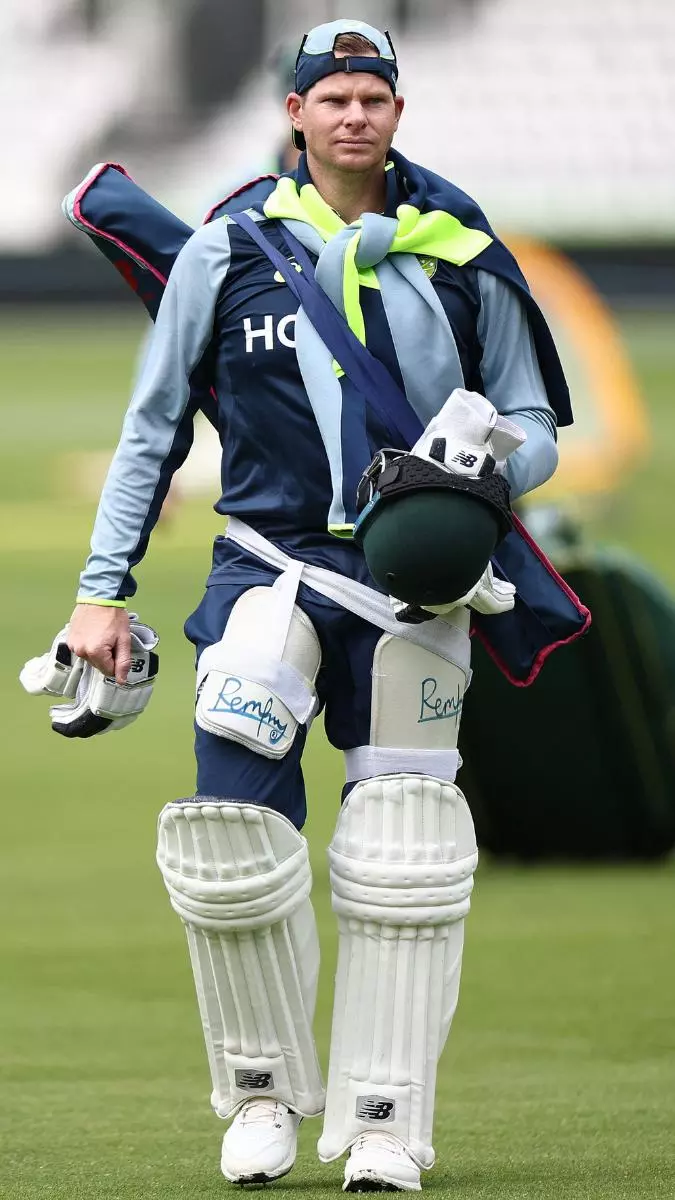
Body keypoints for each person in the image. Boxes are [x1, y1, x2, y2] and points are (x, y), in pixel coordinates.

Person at [57, 18, 572, 1194]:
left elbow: (537, 420)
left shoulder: (460, 247)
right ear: (294, 113)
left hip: (419, 583)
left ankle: (386, 1123)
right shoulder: (228, 245)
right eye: (331, 97)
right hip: (267, 564)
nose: (353, 115)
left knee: (407, 854)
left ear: (398, 112)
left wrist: (487, 467)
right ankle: (258, 1099)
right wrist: (99, 593)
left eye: (372, 98)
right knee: (229, 837)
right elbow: (152, 427)